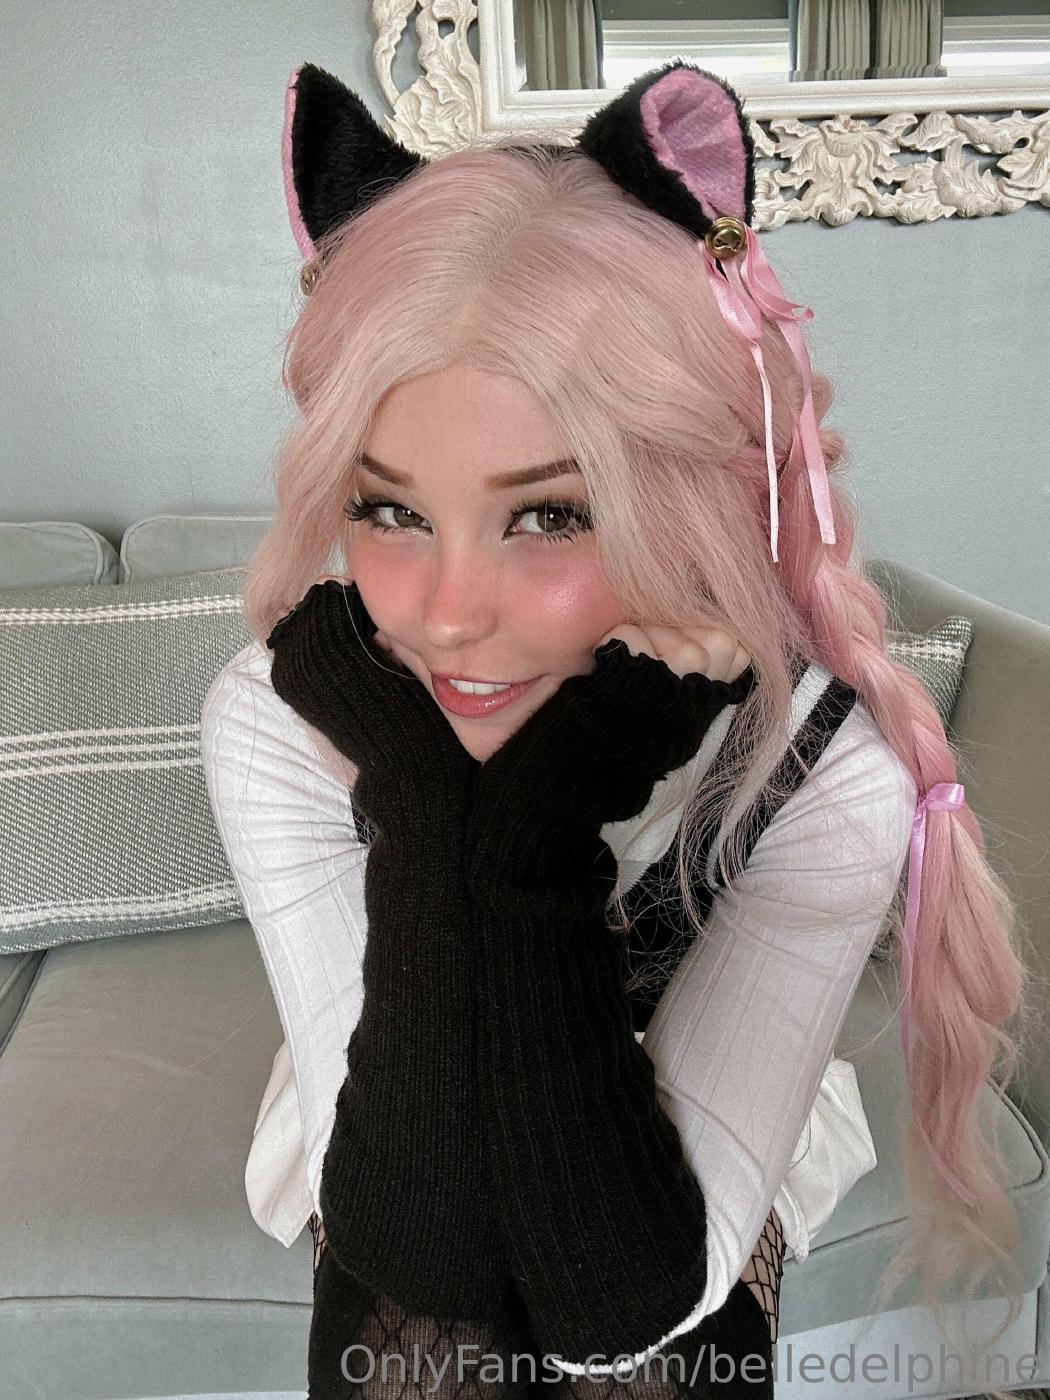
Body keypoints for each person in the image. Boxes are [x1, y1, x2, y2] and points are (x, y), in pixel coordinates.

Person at [200, 58, 1029, 1400]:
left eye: (549, 515)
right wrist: (443, 797)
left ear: (689, 508)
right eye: (390, 510)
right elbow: (423, 1249)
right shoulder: (281, 716)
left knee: (647, 1366)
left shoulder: (821, 771)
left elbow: (622, 1297)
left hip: (688, 1170)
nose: (447, 616)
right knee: (434, 1350)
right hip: (391, 1095)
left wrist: (534, 815)